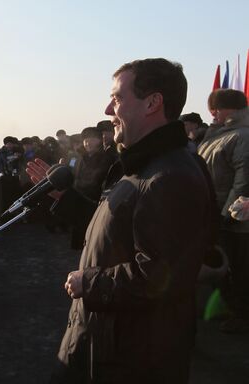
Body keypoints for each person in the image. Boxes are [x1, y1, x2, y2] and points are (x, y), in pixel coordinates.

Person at [29, 58, 213, 383]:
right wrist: (65, 199)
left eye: (116, 98)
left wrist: (89, 282)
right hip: (104, 343)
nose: (107, 109)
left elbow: (159, 275)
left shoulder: (170, 176)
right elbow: (115, 226)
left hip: (129, 359)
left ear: (152, 103)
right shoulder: (142, 165)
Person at [198, 88, 249, 333]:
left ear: (233, 109)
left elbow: (243, 179)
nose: (213, 112)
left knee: (239, 268)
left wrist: (228, 213)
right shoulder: (217, 134)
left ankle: (242, 315)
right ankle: (228, 308)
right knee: (223, 266)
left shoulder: (242, 136)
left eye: (216, 107)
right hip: (215, 214)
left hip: (236, 220)